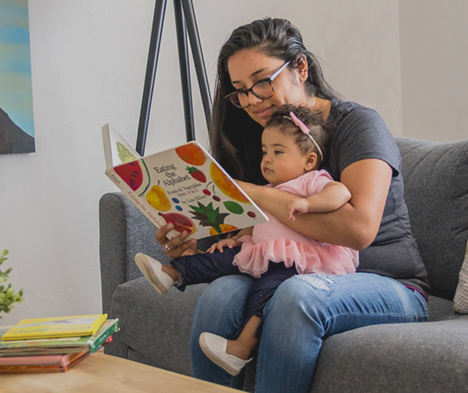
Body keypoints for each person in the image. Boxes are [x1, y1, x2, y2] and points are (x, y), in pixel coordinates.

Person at [153, 17, 429, 393]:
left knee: (295, 296)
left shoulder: (358, 126)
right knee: (219, 297)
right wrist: (191, 239)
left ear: (301, 67)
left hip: (388, 283)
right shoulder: (261, 139)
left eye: (262, 82)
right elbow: (246, 234)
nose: (252, 100)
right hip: (285, 267)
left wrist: (257, 193)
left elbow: (359, 229)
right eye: (241, 91)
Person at [134, 105, 359, 376]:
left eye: (278, 152)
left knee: (265, 292)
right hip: (263, 252)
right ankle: (171, 272)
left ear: (309, 160)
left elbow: (341, 193)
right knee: (219, 258)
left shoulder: (311, 181)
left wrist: (308, 203)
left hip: (298, 261)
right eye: (265, 152)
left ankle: (241, 347)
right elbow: (256, 225)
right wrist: (238, 239)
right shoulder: (266, 191)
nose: (267, 159)